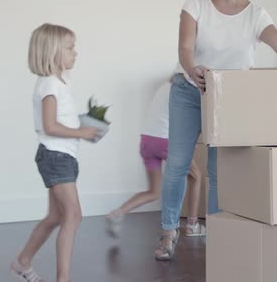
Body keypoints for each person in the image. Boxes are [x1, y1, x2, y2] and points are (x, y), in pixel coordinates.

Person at [155, 0, 277, 261]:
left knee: (222, 170)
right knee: (178, 164)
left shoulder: (255, 14)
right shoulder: (195, 5)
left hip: (229, 98)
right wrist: (192, 69)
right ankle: (168, 231)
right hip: (189, 91)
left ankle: (221, 231)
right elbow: (185, 48)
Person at [11, 23, 99, 282]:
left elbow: (59, 120)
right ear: (52, 53)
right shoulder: (50, 84)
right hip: (56, 156)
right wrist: (81, 133)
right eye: (70, 48)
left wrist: (82, 125)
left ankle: (22, 262)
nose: (76, 53)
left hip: (60, 156)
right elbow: (50, 126)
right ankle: (64, 279)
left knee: (55, 216)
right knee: (73, 215)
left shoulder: (57, 83)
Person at [105, 81, 206, 238]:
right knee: (196, 175)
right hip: (165, 141)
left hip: (147, 141)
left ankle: (117, 213)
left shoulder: (165, 86)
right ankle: (192, 225)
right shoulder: (184, 91)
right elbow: (187, 119)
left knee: (154, 191)